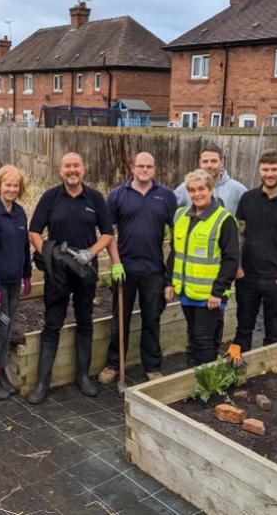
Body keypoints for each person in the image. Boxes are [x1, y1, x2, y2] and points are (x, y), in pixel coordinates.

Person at [27, 152, 114, 404]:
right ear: (60, 170)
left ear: (83, 169)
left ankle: (83, 377)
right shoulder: (51, 197)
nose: (72, 170)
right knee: (52, 323)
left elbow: (107, 233)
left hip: (86, 270)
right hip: (58, 272)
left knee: (85, 320)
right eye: (67, 166)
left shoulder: (95, 198)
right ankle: (43, 383)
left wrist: (92, 252)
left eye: (76, 165)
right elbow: (34, 231)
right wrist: (47, 253)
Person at [98, 152, 176, 384]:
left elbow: (177, 236)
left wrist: (170, 275)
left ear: (155, 168)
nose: (144, 169)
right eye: (140, 166)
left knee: (152, 319)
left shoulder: (166, 197)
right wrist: (115, 264)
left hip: (153, 270)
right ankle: (114, 364)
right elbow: (107, 233)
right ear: (132, 167)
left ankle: (151, 366)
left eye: (149, 166)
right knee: (119, 319)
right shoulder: (117, 196)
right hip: (125, 270)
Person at [228, 149, 277, 367]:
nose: (269, 173)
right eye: (265, 169)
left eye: (274, 169)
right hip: (248, 278)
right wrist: (238, 269)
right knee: (243, 328)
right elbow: (239, 235)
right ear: (260, 170)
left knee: (273, 330)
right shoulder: (248, 199)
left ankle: (269, 373)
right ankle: (237, 371)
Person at [174, 144, 247, 354]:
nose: (209, 165)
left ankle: (209, 362)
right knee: (197, 333)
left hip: (218, 275)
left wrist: (223, 284)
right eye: (205, 161)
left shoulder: (237, 190)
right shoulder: (183, 190)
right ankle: (204, 362)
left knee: (206, 332)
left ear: (221, 162)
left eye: (213, 161)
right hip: (194, 281)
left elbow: (246, 224)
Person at [164, 169, 239, 367]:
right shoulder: (180, 216)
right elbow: (175, 252)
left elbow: (231, 259)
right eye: (192, 190)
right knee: (195, 335)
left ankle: (205, 381)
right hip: (187, 291)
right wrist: (169, 281)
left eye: (201, 189)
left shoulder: (224, 219)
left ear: (211, 189)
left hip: (210, 296)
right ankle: (197, 375)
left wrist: (218, 291)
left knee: (201, 337)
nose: (197, 194)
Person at [0, 165, 33, 400]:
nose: (11, 189)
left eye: (15, 185)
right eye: (7, 184)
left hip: (13, 283)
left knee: (8, 330)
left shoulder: (20, 213)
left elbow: (23, 246)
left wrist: (27, 274)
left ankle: (0, 375)